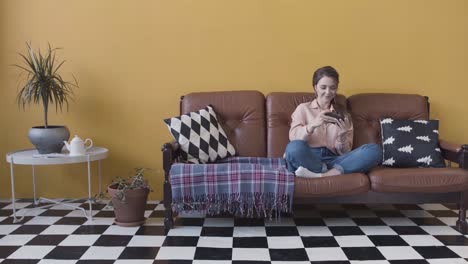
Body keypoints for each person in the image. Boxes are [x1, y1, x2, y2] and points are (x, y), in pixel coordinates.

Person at [285, 66, 382, 178]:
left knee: (374, 150)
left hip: (336, 160)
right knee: (293, 147)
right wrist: (312, 125)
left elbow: (345, 153)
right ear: (315, 87)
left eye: (332, 88)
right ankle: (323, 170)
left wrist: (342, 137)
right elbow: (294, 138)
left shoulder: (343, 114)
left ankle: (321, 174)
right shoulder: (303, 109)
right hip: (309, 157)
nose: (328, 92)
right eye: (323, 87)